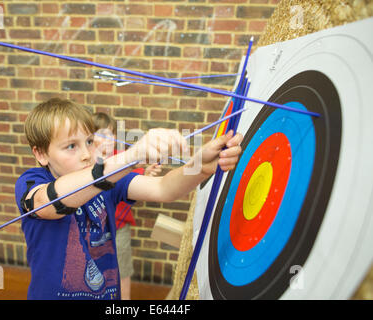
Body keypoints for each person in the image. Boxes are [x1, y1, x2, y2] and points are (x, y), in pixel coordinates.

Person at [14, 98, 243, 300]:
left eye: (90, 142)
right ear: (41, 154)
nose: (86, 154)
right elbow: (49, 202)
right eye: (71, 146)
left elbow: (164, 188)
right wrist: (132, 156)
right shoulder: (32, 181)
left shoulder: (109, 179)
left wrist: (200, 166)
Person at [92, 112, 161, 300]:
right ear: (90, 138)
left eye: (112, 134)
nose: (109, 140)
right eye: (102, 134)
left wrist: (147, 174)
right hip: (94, 230)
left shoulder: (123, 158)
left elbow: (137, 179)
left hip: (119, 226)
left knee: (121, 269)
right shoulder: (86, 162)